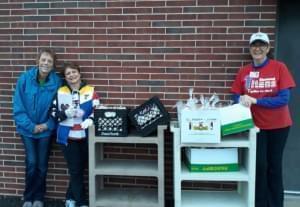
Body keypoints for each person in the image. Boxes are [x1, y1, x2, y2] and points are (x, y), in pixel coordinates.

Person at [231, 32, 296, 207]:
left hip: (279, 126)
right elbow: (235, 95)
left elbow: (284, 99)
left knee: (274, 166)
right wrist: (241, 100)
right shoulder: (244, 71)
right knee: (259, 166)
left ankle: (275, 203)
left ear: (267, 48)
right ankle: (259, 203)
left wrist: (256, 100)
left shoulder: (279, 67)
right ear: (250, 48)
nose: (257, 48)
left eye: (261, 45)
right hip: (255, 126)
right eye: (254, 45)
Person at [13, 49, 62, 207]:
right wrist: (31, 126)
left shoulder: (56, 82)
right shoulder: (24, 79)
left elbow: (60, 108)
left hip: (46, 131)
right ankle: (28, 197)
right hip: (27, 131)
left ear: (53, 65)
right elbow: (18, 107)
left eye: (49, 61)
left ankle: (39, 198)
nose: (46, 63)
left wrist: (47, 125)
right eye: (43, 60)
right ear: (38, 61)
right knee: (32, 163)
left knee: (41, 165)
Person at [50, 62, 99, 207]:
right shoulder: (61, 92)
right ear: (65, 78)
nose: (72, 75)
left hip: (86, 136)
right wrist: (64, 114)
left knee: (79, 169)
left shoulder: (91, 91)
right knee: (75, 169)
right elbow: (53, 113)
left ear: (79, 73)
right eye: (68, 74)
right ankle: (81, 202)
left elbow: (97, 109)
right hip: (68, 137)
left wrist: (90, 120)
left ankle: (70, 197)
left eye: (74, 72)